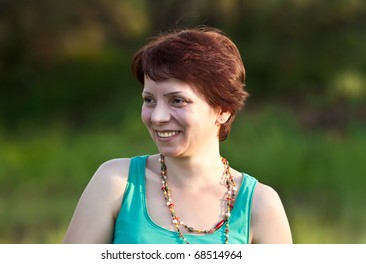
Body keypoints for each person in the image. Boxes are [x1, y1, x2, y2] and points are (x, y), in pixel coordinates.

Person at [63, 27, 292, 244]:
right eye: (149, 100)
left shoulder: (259, 205)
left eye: (177, 100)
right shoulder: (116, 183)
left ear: (223, 110)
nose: (157, 117)